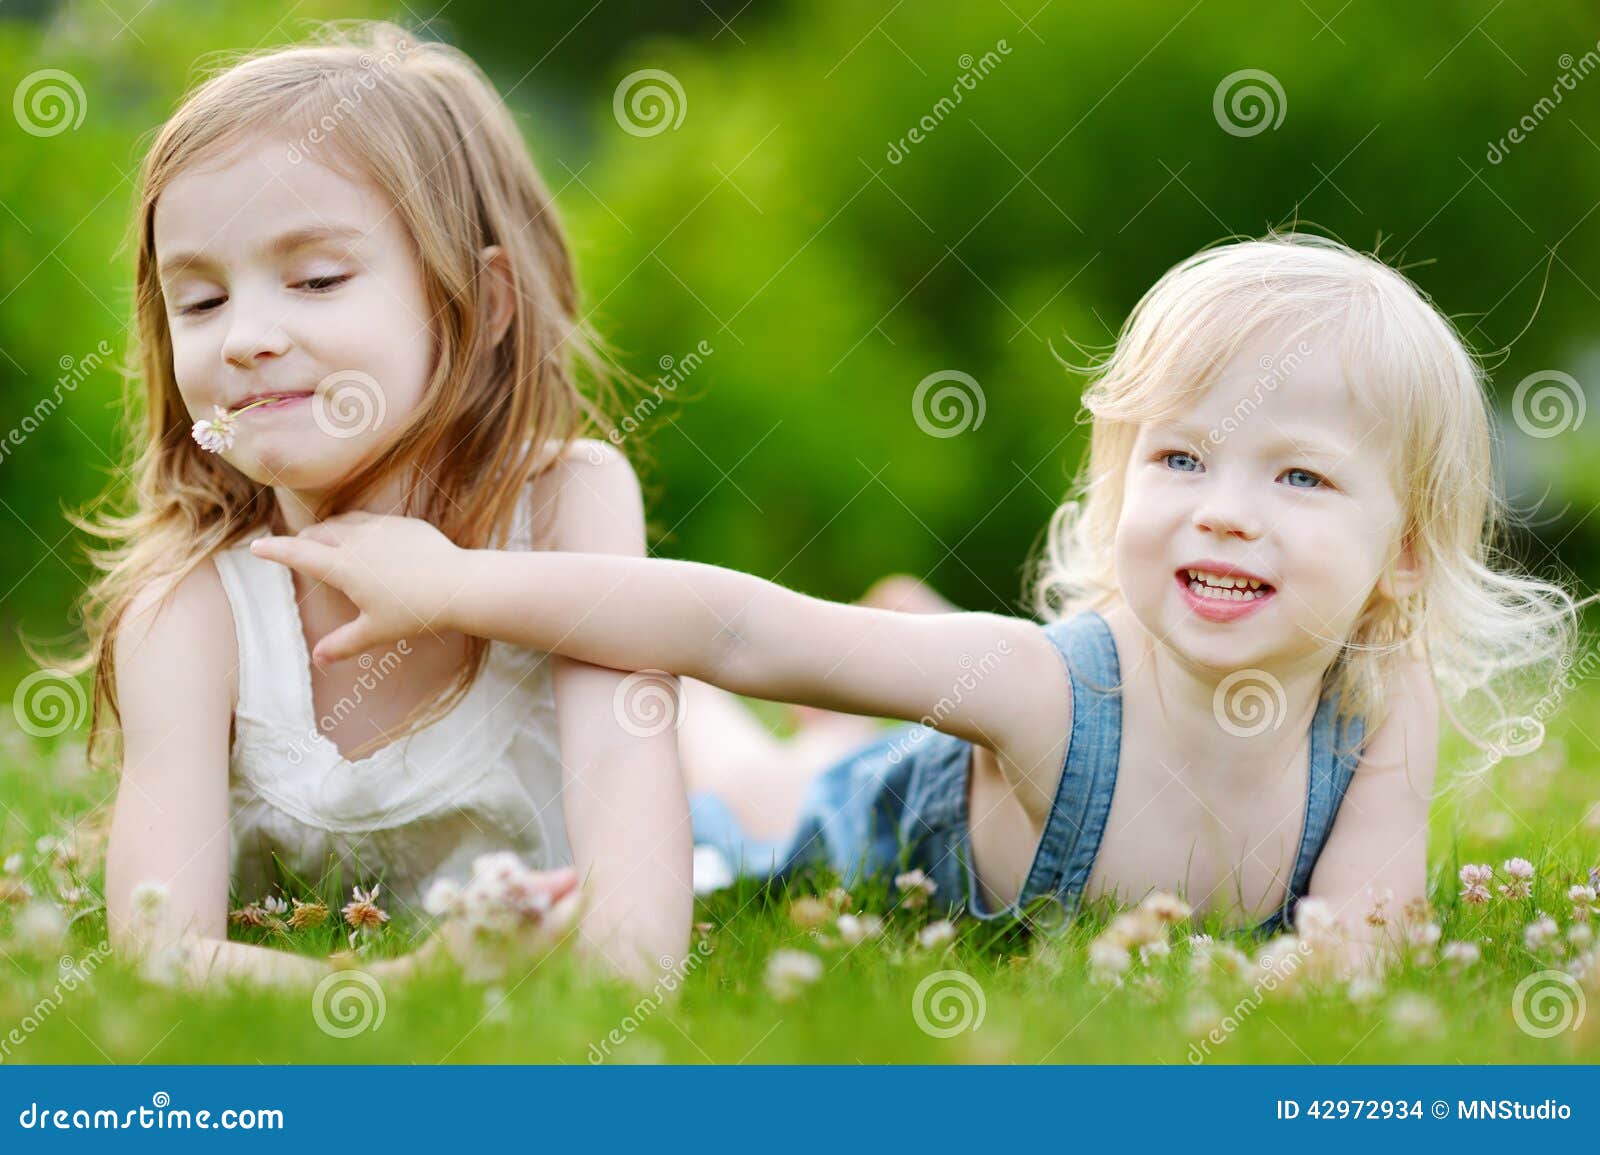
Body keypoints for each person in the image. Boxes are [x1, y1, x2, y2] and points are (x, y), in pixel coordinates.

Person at [248, 233, 1597, 975]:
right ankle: (773, 719)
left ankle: (883, 653)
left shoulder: (1378, 698)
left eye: (1300, 474)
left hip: (941, 730)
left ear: (1403, 557)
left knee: (848, 729)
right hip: (876, 824)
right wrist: (456, 579)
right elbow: (741, 629)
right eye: (1180, 457)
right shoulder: (1043, 688)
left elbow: (1367, 921)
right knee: (762, 786)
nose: (1224, 507)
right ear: (1120, 481)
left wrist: (1274, 985)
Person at [69, 21, 692, 989]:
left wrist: (616, 1001)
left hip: (717, 810)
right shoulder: (191, 612)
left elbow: (627, 812)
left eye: (315, 279)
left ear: (482, 306)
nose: (245, 338)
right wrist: (390, 990)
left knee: (773, 798)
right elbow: (158, 951)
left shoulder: (568, 500)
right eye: (199, 302)